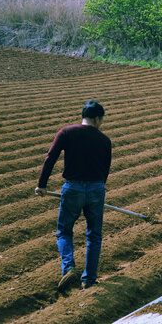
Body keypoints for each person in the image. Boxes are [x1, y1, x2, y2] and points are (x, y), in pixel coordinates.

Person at [35, 99, 112, 291]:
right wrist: (97, 190)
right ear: (96, 119)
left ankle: (68, 268)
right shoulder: (104, 140)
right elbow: (105, 171)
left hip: (72, 188)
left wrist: (42, 185)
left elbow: (50, 157)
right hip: (96, 189)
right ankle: (89, 279)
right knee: (94, 235)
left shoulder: (66, 132)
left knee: (64, 231)